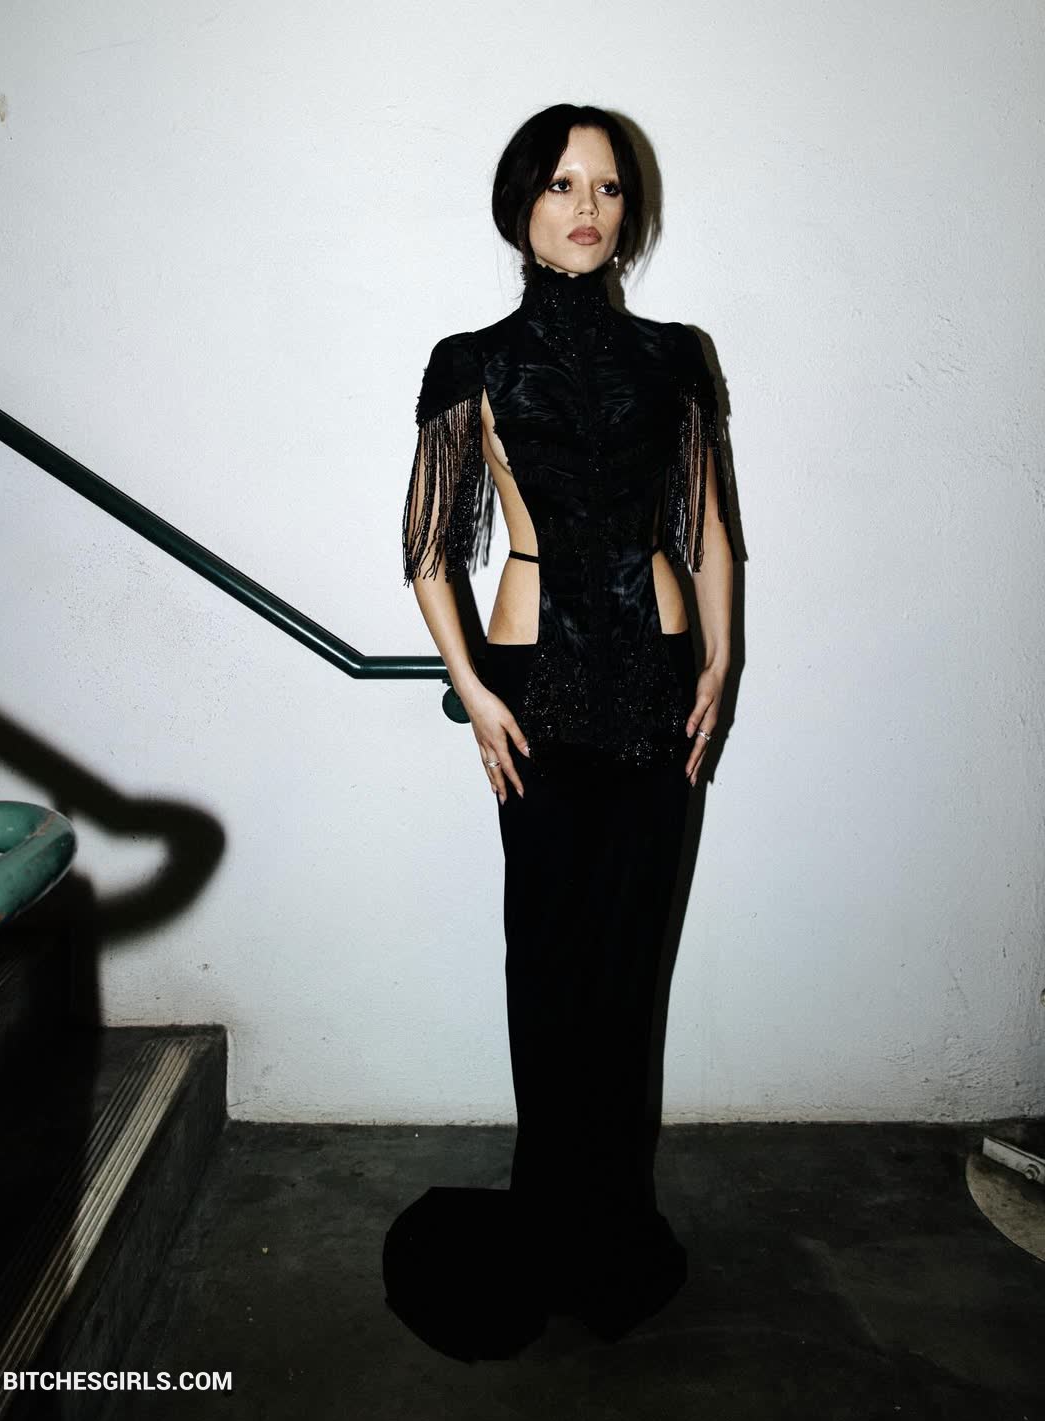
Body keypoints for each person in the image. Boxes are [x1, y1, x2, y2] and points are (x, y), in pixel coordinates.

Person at [390, 103, 740, 1350]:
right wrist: (475, 690)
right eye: (560, 184)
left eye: (606, 186)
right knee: (549, 965)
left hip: (657, 677)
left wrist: (721, 659)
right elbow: (429, 545)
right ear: (521, 207)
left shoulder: (677, 358)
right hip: (536, 685)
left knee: (632, 965)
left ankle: (613, 1229)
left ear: (627, 214)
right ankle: (550, 1224)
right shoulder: (471, 361)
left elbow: (708, 529)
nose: (586, 207)